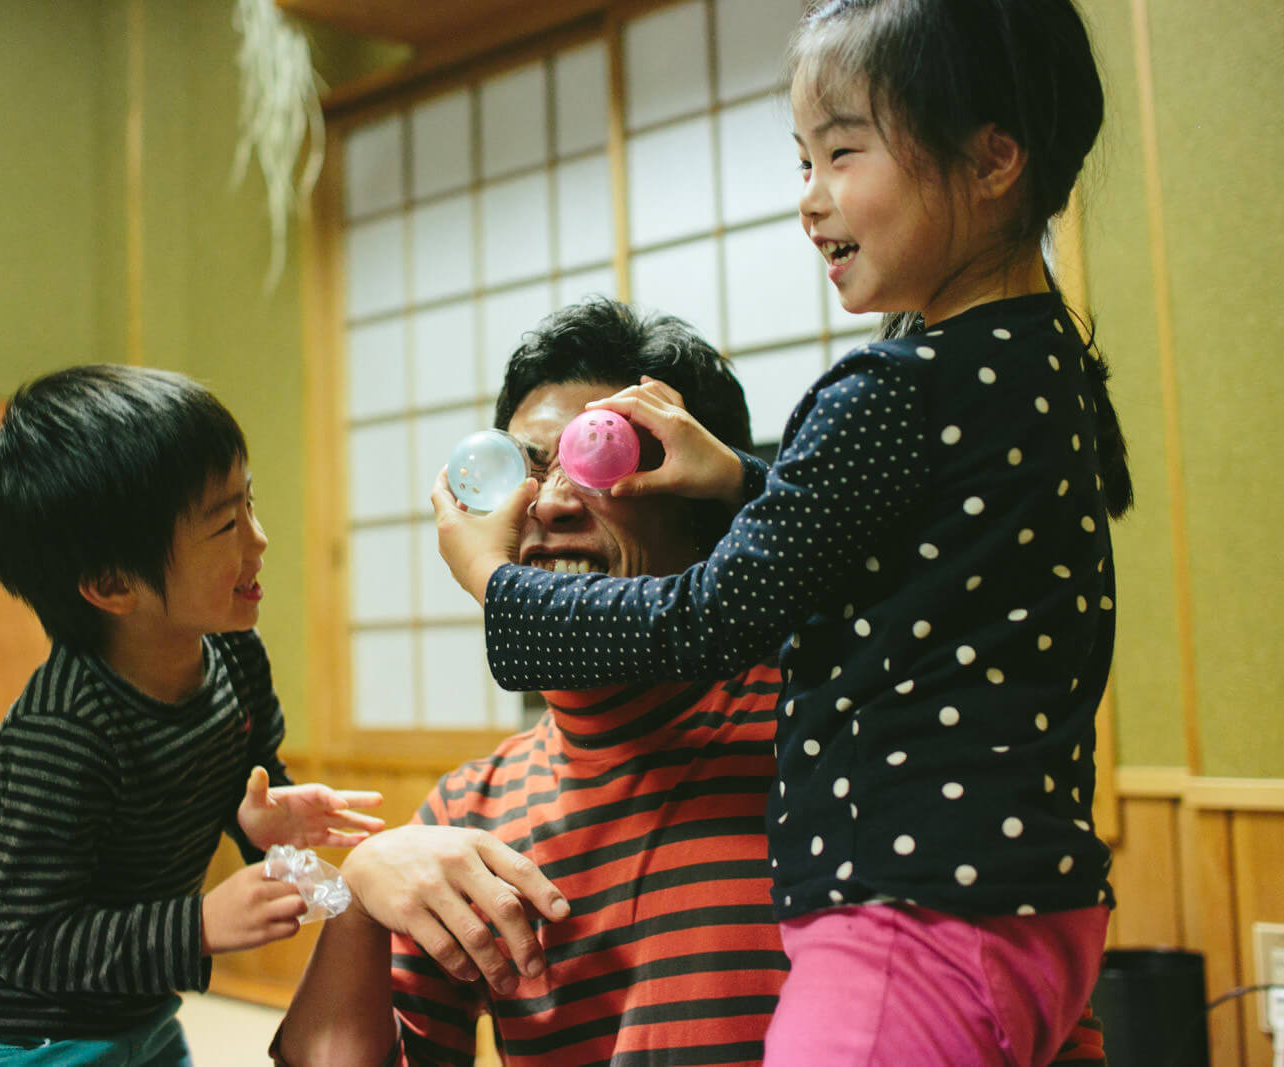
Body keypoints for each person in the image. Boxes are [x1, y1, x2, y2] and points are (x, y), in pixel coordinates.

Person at [432, 1, 1133, 1063]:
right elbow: (929, 537)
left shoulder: (889, 389)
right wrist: (743, 476)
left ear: (993, 157)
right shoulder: (1049, 370)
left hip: (906, 909)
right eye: (801, 160)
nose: (808, 200)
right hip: (1038, 905)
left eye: (841, 152)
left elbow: (703, 619)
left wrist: (497, 584)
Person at [277, 300, 1105, 1065]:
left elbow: (1022, 1010)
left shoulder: (837, 732)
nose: (552, 503)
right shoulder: (467, 819)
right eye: (523, 466)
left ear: (704, 508)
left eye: (600, 457)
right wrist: (361, 883)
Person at [0, 365, 384, 1066]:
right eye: (225, 523)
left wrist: (260, 819)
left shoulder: (234, 654)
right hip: (4, 1017)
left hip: (128, 996)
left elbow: (243, 772)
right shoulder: (64, 735)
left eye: (248, 503)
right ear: (112, 584)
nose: (259, 539)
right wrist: (197, 925)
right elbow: (28, 940)